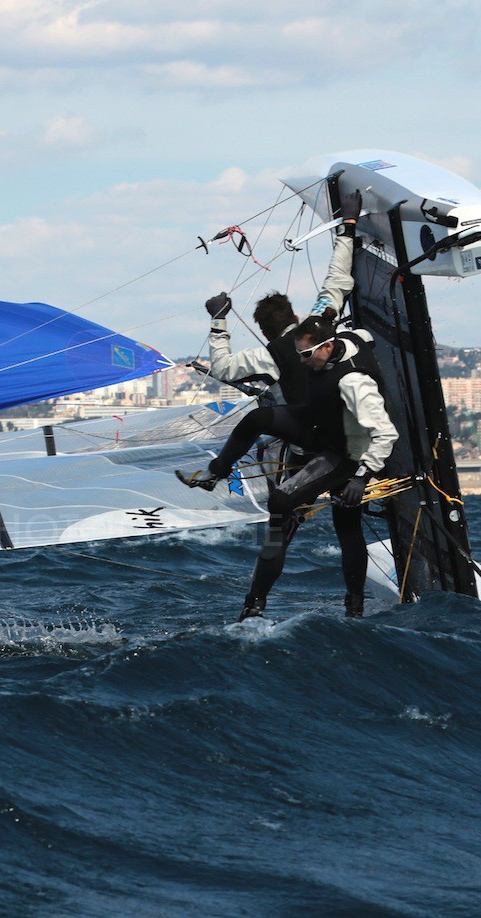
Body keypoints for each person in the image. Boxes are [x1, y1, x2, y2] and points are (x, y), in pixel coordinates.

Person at [181, 310, 398, 620]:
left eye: (307, 354)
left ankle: (353, 606)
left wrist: (361, 478)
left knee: (320, 517)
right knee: (257, 419)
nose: (302, 360)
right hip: (317, 424)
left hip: (345, 454)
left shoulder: (355, 383)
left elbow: (387, 433)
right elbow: (360, 330)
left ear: (327, 346)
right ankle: (216, 472)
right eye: (299, 353)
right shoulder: (347, 339)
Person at [191, 187, 363, 407]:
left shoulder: (268, 357)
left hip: (308, 436)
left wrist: (218, 320)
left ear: (264, 332)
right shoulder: (321, 322)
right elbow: (336, 280)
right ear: (297, 318)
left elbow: (222, 368)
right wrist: (348, 226)